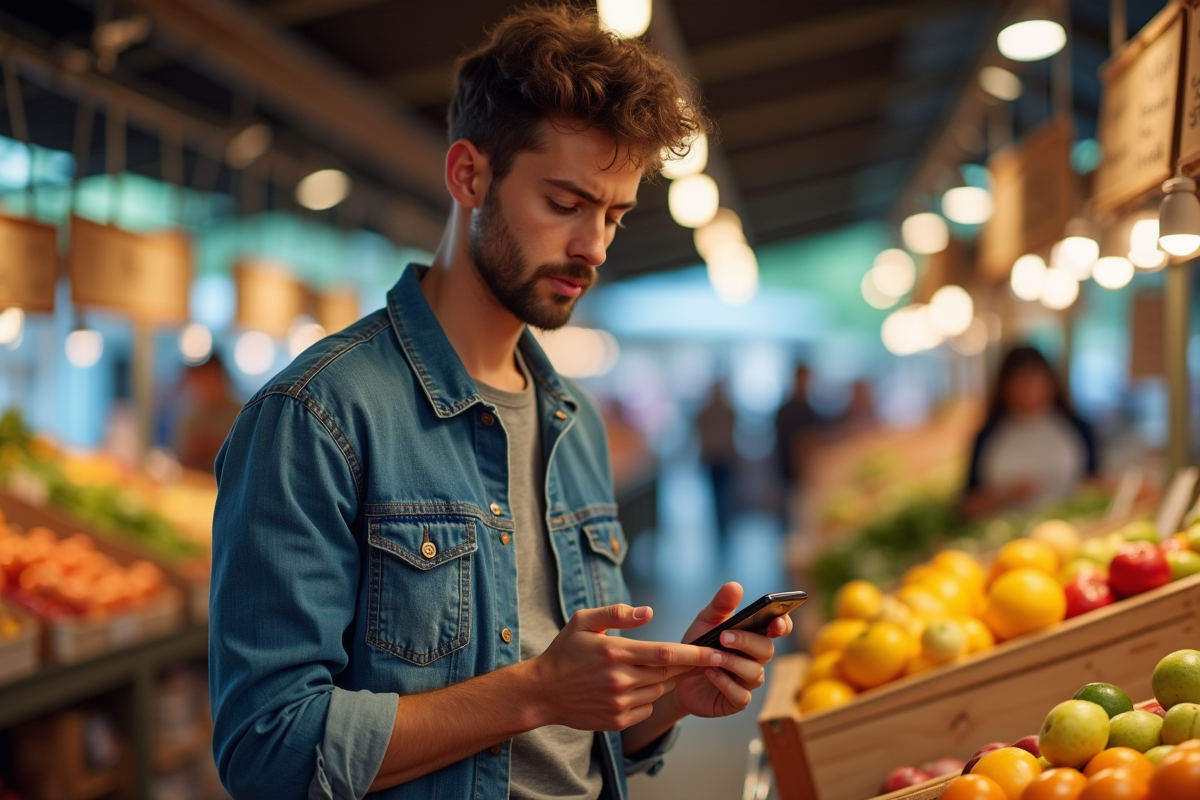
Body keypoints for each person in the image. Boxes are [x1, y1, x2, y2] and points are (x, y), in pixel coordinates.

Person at [208, 8, 794, 800]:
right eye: (566, 203)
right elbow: (266, 750)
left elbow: (572, 745)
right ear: (469, 176)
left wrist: (664, 701)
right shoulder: (318, 415)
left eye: (615, 214)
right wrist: (537, 691)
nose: (596, 246)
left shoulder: (574, 423)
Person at [962, 346, 1098, 518]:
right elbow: (966, 507)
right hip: (1003, 535)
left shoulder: (1079, 428)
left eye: (1035, 379)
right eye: (1020, 381)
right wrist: (1005, 495)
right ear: (1004, 387)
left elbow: (1096, 481)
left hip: (1074, 525)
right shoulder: (986, 436)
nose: (1029, 389)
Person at [171, 354, 242, 472]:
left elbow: (248, 459)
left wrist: (216, 448)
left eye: (209, 378)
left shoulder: (243, 413)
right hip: (198, 484)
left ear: (222, 377)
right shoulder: (191, 416)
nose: (205, 386)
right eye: (200, 381)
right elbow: (181, 460)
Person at [774, 365, 821, 527]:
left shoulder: (809, 408)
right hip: (792, 473)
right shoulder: (788, 410)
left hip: (804, 474)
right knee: (795, 520)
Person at [695, 382, 737, 545]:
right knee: (723, 494)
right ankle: (723, 526)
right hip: (722, 458)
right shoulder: (727, 410)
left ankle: (720, 526)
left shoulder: (706, 411)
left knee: (716, 495)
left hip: (714, 458)